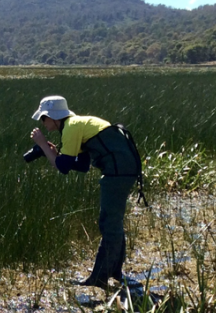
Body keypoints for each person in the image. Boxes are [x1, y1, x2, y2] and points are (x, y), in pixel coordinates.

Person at [29, 95, 145, 290]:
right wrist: (55, 152)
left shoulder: (72, 127)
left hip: (118, 172)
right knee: (113, 221)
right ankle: (114, 270)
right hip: (122, 169)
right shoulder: (76, 124)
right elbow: (82, 165)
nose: (43, 123)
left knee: (109, 222)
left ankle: (100, 277)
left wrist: (42, 145)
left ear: (54, 117)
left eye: (44, 118)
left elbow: (63, 167)